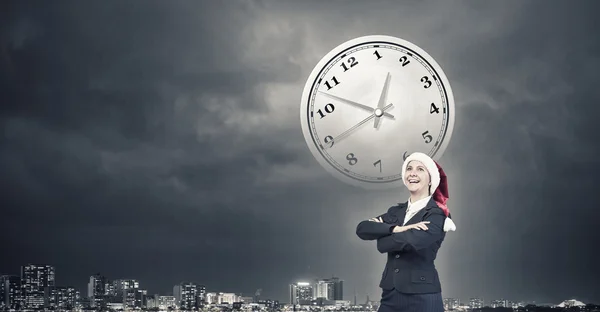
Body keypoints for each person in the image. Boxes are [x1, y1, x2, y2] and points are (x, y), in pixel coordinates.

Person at [356, 152, 456, 312]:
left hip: (423, 295)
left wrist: (383, 239)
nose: (413, 173)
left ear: (431, 178)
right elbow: (362, 229)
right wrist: (396, 228)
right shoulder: (395, 212)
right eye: (409, 168)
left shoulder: (438, 213)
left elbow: (414, 241)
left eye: (420, 169)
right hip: (390, 294)